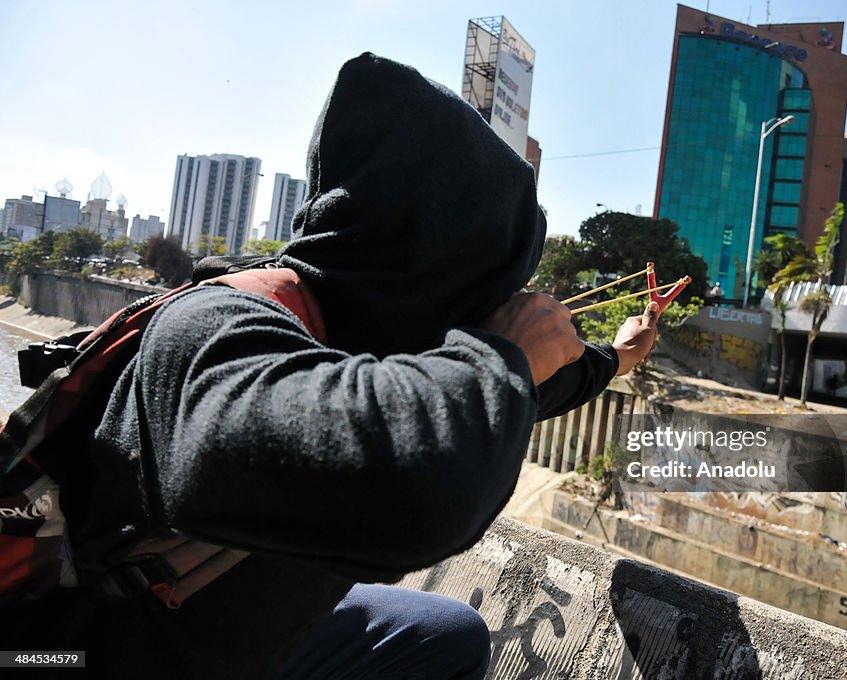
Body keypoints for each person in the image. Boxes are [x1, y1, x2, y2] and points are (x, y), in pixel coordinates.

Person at [14, 54, 659, 678]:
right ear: (428, 262)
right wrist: (506, 353)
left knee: (446, 640)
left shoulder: (380, 333)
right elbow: (418, 476)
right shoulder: (213, 336)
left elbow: (523, 390)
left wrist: (619, 355)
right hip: (94, 655)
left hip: (242, 637)